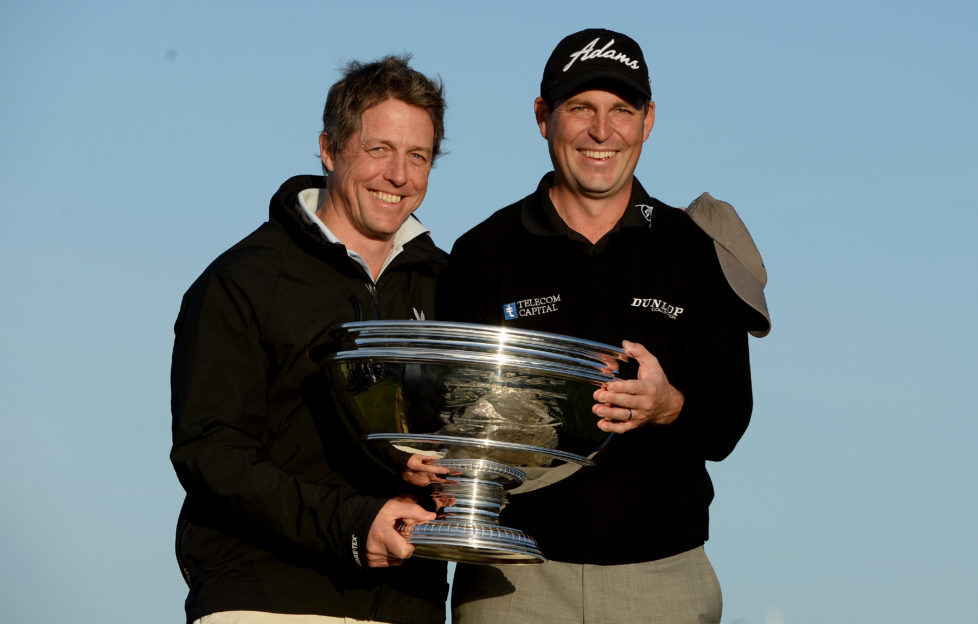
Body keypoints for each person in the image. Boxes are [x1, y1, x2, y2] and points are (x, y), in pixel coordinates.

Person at [439, 29, 771, 624]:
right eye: (580, 108)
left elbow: (729, 421)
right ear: (543, 117)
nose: (602, 131)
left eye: (622, 110)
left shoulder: (696, 250)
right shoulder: (482, 252)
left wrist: (669, 407)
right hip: (513, 578)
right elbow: (446, 420)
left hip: (663, 578)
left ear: (648, 122)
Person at [170, 55, 452, 624]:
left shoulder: (449, 285)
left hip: (408, 602)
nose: (398, 175)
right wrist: (350, 523)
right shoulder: (242, 280)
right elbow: (211, 455)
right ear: (329, 149)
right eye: (378, 150)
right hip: (266, 599)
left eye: (417, 156)